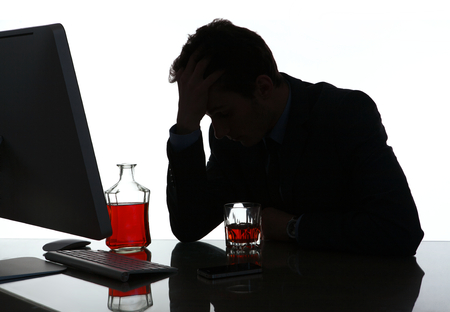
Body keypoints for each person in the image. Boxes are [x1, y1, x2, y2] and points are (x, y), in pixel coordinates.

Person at [166, 19, 424, 256]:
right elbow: (190, 227)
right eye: (210, 117)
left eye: (223, 113)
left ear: (263, 87)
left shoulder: (345, 115)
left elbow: (400, 230)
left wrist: (293, 227)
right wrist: (186, 127)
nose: (220, 131)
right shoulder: (228, 139)